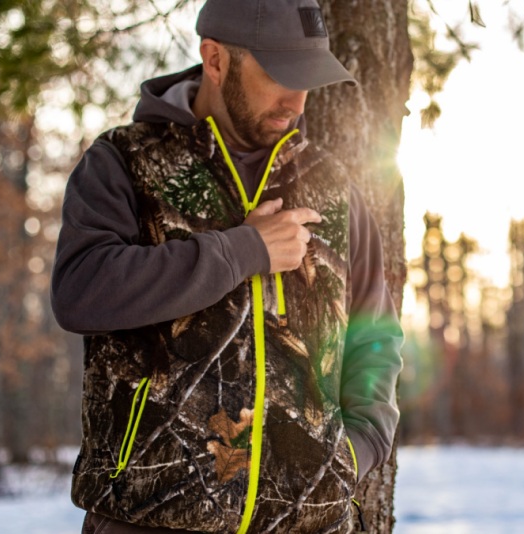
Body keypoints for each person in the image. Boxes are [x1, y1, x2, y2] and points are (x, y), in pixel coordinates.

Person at [50, 0, 403, 532]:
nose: (297, 100)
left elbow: (377, 335)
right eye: (280, 75)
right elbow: (81, 290)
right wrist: (242, 251)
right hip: (151, 517)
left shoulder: (334, 189)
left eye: (308, 78)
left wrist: (357, 449)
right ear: (214, 59)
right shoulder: (123, 162)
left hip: (309, 520)